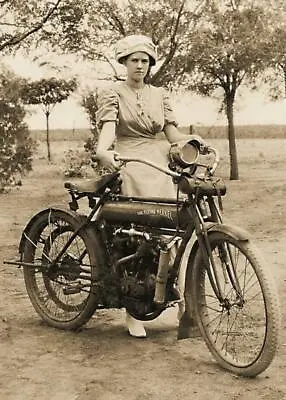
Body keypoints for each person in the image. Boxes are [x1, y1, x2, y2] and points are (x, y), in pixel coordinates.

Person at [95, 34, 199, 338]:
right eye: (134, 60)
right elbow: (108, 132)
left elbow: (171, 134)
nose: (139, 66)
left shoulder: (160, 94)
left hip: (157, 161)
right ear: (124, 63)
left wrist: (193, 140)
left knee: (174, 232)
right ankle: (133, 310)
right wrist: (104, 152)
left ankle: (179, 300)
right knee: (135, 234)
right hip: (128, 160)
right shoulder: (112, 93)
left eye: (144, 60)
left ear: (150, 64)